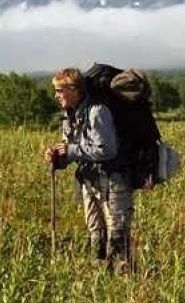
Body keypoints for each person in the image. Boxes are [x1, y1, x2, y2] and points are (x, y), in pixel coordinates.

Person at [44, 68, 134, 269]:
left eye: (60, 90)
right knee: (96, 232)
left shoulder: (97, 111)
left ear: (74, 90)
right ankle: (101, 276)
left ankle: (127, 283)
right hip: (89, 181)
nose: (56, 95)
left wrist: (71, 150)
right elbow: (71, 150)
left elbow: (107, 150)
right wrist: (57, 156)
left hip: (113, 181)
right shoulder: (71, 115)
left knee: (117, 233)